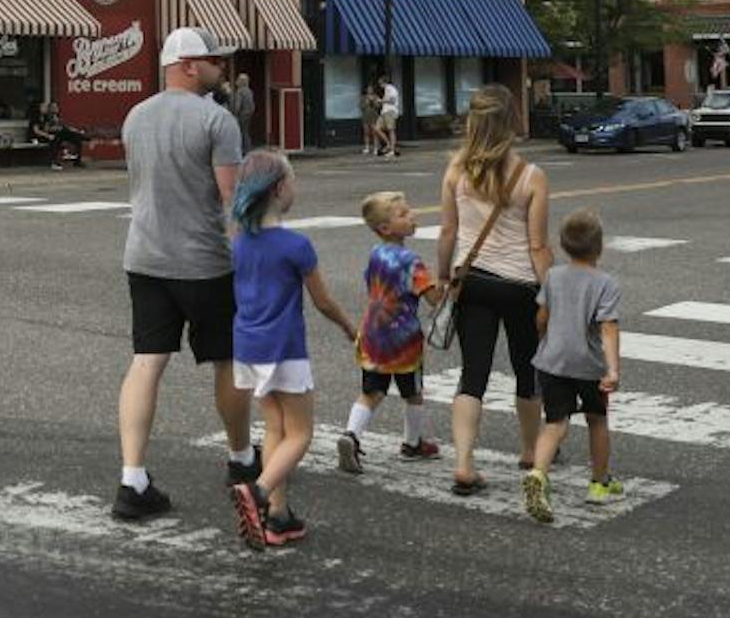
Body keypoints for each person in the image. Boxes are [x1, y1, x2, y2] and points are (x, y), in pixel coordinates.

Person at [113, 28, 252, 521]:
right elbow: (232, 200)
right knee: (228, 360)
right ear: (190, 65)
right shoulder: (218, 120)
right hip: (205, 263)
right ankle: (240, 459)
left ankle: (132, 478)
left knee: (147, 360)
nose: (222, 68)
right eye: (214, 60)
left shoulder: (135, 116)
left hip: (144, 257)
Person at [227, 152, 360, 550]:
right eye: (293, 180)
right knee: (301, 433)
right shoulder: (296, 245)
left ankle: (278, 517)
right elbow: (323, 301)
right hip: (284, 347)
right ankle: (260, 491)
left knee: (275, 428)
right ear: (280, 189)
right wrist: (350, 327)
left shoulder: (239, 241)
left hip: (248, 345)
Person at [437, 83, 551, 495]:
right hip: (520, 284)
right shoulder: (531, 176)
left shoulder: (456, 170)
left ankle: (464, 463)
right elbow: (538, 245)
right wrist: (550, 293)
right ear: (511, 122)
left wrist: (445, 277)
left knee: (473, 374)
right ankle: (528, 450)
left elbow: (448, 231)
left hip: (474, 280)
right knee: (527, 370)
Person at [524, 209, 625, 524]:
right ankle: (599, 483)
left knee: (555, 422)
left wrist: (544, 339)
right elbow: (608, 327)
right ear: (600, 247)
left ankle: (539, 474)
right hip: (589, 365)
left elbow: (541, 316)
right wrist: (612, 370)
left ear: (564, 246)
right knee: (596, 420)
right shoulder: (606, 283)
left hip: (552, 361)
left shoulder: (553, 276)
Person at [336, 191, 444, 475]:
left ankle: (351, 435)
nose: (413, 216)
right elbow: (434, 298)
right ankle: (412, 444)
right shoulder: (411, 260)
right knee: (413, 393)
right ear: (385, 228)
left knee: (372, 392)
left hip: (373, 335)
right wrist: (444, 282)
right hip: (404, 340)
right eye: (404, 214)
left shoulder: (376, 254)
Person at [31, 99, 85, 170]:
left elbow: (61, 126)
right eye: (44, 107)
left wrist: (75, 130)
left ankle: (77, 160)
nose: (46, 108)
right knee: (56, 139)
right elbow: (38, 131)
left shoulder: (50, 117)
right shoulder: (38, 117)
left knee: (76, 137)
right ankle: (54, 162)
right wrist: (49, 134)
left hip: (55, 134)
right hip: (39, 137)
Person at [228, 70, 256, 150]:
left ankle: (243, 149)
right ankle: (248, 148)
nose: (236, 81)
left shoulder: (240, 92)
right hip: (248, 114)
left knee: (241, 133)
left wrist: (233, 113)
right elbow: (252, 105)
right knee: (246, 132)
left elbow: (237, 106)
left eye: (238, 80)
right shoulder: (249, 91)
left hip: (242, 115)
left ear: (241, 82)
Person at [377, 76, 402, 158]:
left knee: (391, 130)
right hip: (384, 111)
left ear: (384, 82)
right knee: (378, 128)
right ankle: (388, 144)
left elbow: (392, 100)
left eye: (380, 83)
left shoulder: (390, 88)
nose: (380, 85)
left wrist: (381, 101)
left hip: (390, 111)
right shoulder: (386, 90)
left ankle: (392, 150)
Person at [360, 82, 382, 155]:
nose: (370, 90)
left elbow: (378, 107)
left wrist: (374, 102)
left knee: (374, 133)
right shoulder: (363, 97)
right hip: (366, 116)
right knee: (366, 132)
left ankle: (375, 148)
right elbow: (361, 107)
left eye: (371, 89)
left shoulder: (376, 97)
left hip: (374, 116)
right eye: (368, 89)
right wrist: (366, 102)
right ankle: (367, 148)